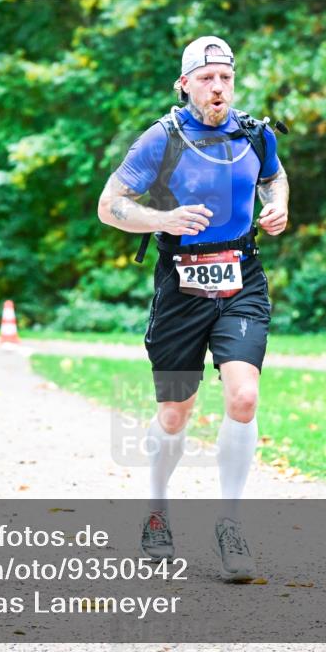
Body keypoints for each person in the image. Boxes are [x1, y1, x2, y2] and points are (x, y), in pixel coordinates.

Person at [97, 36, 289, 581]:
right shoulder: (163, 139)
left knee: (244, 397)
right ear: (185, 84)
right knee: (174, 415)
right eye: (206, 78)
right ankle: (157, 511)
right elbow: (109, 206)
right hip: (181, 287)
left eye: (225, 77)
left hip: (241, 279)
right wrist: (163, 220)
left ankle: (230, 524)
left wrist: (277, 206)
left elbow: (274, 176)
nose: (218, 87)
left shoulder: (255, 133)